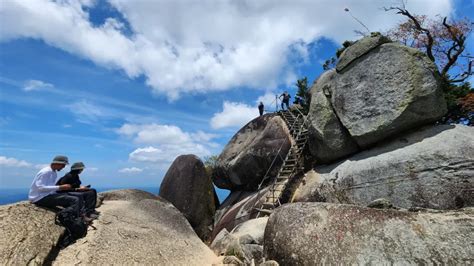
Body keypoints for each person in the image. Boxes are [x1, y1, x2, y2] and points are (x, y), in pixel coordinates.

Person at [29, 155, 84, 219]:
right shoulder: (45, 172)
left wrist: (61, 189)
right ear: (57, 163)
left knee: (76, 196)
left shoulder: (53, 172)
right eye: (63, 165)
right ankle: (72, 218)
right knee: (74, 200)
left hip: (47, 195)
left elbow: (50, 187)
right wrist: (60, 187)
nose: (63, 167)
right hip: (39, 198)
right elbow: (40, 187)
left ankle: (77, 216)